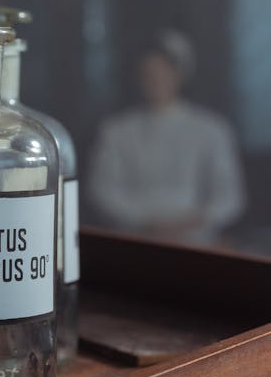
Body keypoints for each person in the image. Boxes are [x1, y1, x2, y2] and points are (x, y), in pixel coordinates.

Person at [88, 30, 247, 244]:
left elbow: (229, 195)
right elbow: (103, 189)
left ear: (179, 75)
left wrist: (196, 220)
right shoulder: (116, 131)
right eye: (149, 73)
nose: (156, 80)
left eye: (164, 72)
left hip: (196, 241)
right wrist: (146, 221)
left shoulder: (212, 129)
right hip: (134, 238)